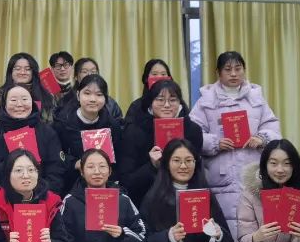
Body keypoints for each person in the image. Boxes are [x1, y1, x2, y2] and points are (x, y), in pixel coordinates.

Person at [190, 51, 281, 236]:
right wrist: (215, 143)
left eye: (238, 69)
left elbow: (273, 127)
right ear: (218, 72)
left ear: (244, 70)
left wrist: (261, 138)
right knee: (223, 227)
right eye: (228, 69)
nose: (233, 74)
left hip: (253, 172)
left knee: (254, 224)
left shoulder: (257, 99)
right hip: (220, 176)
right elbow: (192, 134)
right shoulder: (205, 101)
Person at [118, 79, 204, 207]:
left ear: (180, 103)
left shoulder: (192, 130)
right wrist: (151, 166)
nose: (167, 105)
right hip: (146, 202)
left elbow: (197, 172)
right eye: (160, 99)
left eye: (173, 100)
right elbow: (126, 181)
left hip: (185, 200)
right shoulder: (134, 131)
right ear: (150, 103)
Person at [0, 85, 66, 196]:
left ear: (33, 103)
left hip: (40, 197)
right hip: (2, 199)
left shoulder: (47, 132)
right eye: (13, 100)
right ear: (4, 104)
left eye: (24, 99)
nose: (19, 104)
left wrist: (40, 196)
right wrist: (9, 163)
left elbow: (56, 172)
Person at [52, 74, 125, 192]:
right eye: (87, 93)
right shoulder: (62, 124)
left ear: (106, 99)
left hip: (104, 185)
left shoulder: (113, 126)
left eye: (99, 94)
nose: (93, 99)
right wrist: (74, 163)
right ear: (78, 95)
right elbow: (56, 156)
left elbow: (119, 160)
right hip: (71, 185)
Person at [0, 53, 56, 132]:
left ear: (33, 72)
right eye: (17, 69)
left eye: (27, 69)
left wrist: (41, 135)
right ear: (10, 72)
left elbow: (52, 124)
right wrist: (0, 136)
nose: (22, 72)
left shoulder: (46, 96)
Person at [57, 58, 123, 120]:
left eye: (93, 71)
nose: (90, 74)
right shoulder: (65, 101)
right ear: (76, 76)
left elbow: (119, 123)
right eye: (85, 71)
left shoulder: (110, 103)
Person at [123, 59, 173, 125]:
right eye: (154, 74)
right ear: (146, 78)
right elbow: (128, 129)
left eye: (163, 74)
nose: (159, 77)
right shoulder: (137, 106)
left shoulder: (177, 105)